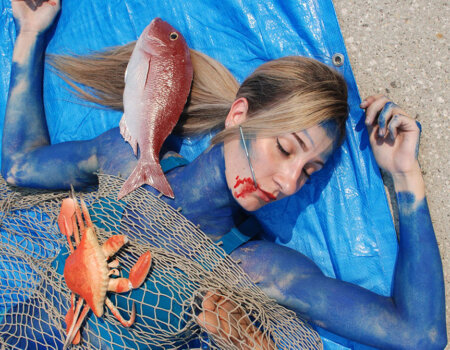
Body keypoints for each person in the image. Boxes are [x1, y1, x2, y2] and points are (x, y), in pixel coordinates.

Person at [2, 0, 446, 349]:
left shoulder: (252, 269)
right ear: (238, 116)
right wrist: (31, 35)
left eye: (309, 172)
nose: (288, 183)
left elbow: (419, 334)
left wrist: (406, 177)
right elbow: (20, 166)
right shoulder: (126, 153)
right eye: (285, 148)